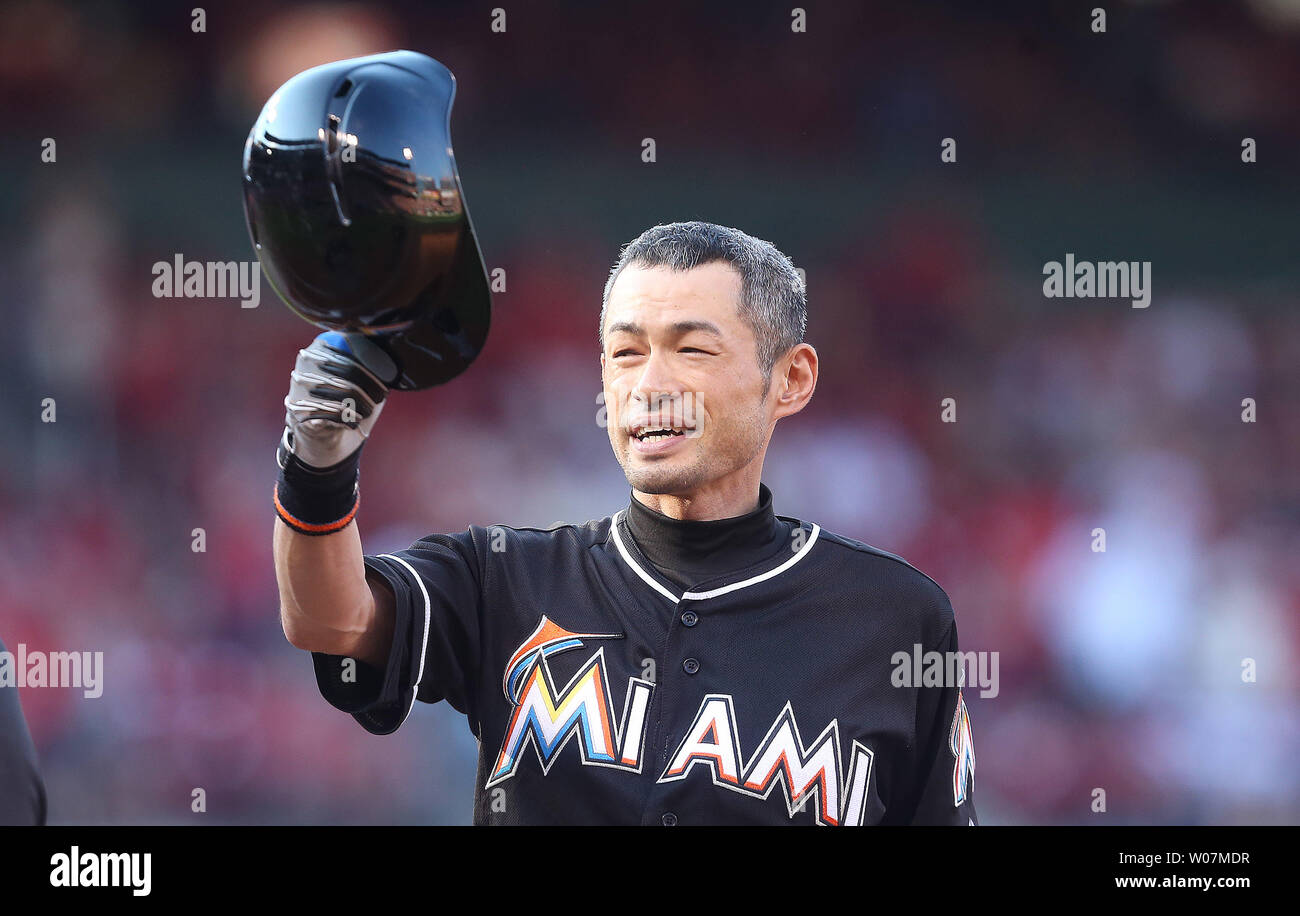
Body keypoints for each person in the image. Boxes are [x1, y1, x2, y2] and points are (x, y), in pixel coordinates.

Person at [272, 220, 978, 825]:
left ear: (789, 379)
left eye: (693, 349)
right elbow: (330, 622)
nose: (649, 383)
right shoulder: (507, 577)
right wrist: (316, 468)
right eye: (626, 351)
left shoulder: (894, 618)